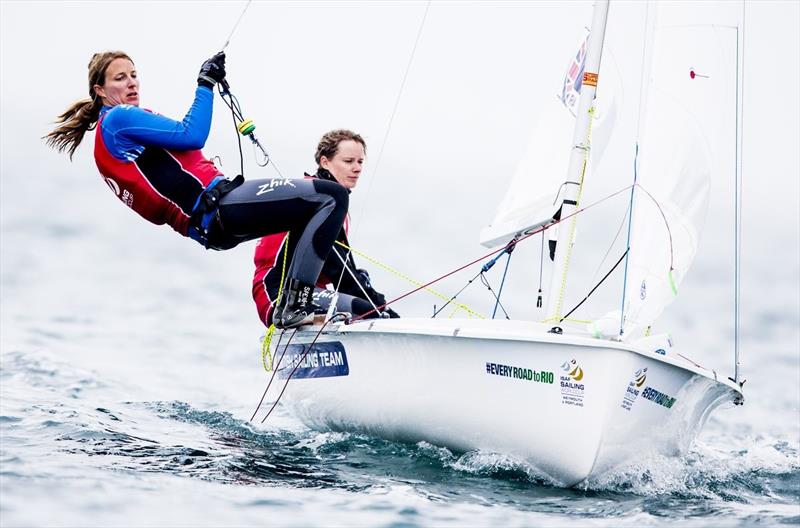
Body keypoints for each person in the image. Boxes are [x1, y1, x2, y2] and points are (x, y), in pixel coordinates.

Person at [44, 51, 348, 329]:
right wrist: (205, 84)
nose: (132, 83)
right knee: (330, 196)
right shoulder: (117, 120)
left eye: (134, 75)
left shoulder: (110, 137)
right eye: (120, 78)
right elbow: (191, 134)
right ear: (99, 90)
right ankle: (294, 304)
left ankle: (293, 301)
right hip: (219, 209)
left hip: (210, 226)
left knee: (309, 209)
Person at [252, 129, 399, 327]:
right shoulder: (319, 199)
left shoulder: (331, 201)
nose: (357, 168)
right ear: (325, 162)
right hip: (278, 293)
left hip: (308, 293)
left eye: (360, 162)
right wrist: (378, 306)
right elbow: (337, 268)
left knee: (365, 297)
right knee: (365, 309)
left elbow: (343, 266)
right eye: (348, 161)